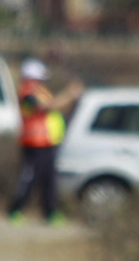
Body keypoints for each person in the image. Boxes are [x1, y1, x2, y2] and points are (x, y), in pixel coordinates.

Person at [7, 58, 83, 224]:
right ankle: (15, 210)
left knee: (49, 180)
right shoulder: (27, 92)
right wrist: (68, 94)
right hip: (34, 142)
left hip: (48, 141)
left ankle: (50, 213)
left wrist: (72, 98)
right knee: (29, 178)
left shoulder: (40, 90)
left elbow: (57, 107)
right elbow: (46, 107)